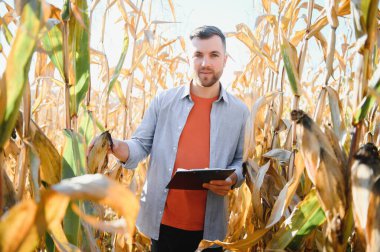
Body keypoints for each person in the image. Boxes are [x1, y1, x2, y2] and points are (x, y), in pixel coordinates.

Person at [91, 25, 249, 252]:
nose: (205, 63)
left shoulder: (240, 112)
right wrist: (114, 145)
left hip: (210, 231)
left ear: (225, 59)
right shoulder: (163, 101)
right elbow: (140, 146)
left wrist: (232, 179)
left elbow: (241, 161)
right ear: (189, 59)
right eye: (198, 55)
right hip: (163, 224)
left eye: (213, 55)